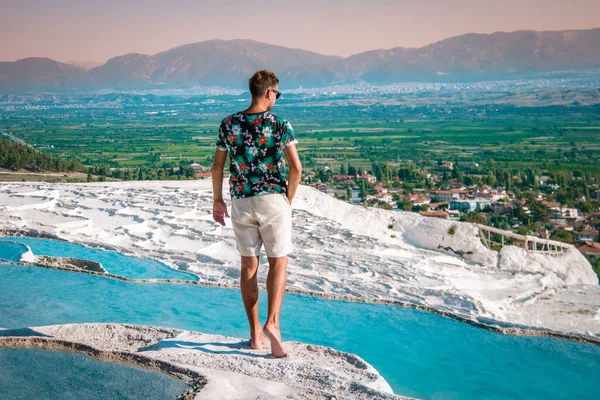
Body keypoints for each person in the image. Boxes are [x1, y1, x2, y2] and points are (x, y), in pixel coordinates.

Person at [211, 70, 302, 358]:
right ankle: (272, 323)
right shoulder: (279, 124)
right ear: (268, 93)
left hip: (241, 201)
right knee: (278, 263)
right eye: (277, 93)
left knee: (248, 267)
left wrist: (217, 201)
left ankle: (254, 336)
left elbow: (217, 167)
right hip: (273, 200)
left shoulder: (229, 124)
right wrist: (287, 200)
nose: (276, 97)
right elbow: (296, 169)